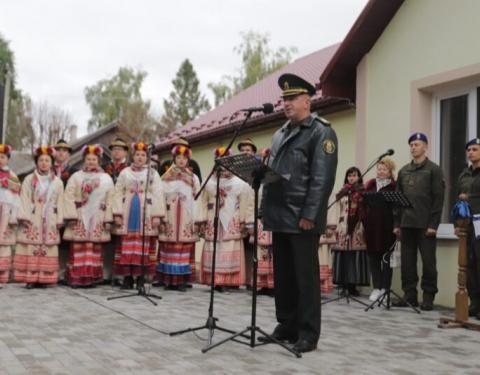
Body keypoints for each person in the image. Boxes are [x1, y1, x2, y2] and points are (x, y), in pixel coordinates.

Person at [261, 73, 337, 353]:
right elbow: (272, 176)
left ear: (308, 101)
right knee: (284, 277)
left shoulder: (321, 131)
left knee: (305, 279)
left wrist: (310, 214)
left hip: (302, 218)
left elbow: (322, 178)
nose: (286, 103)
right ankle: (287, 324)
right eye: (284, 99)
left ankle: (308, 332)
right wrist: (263, 210)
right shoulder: (280, 132)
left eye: (292, 98)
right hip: (279, 215)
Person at [393, 133, 445, 310]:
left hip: (425, 225)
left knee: (429, 263)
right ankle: (409, 295)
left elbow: (438, 199)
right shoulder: (403, 171)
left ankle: (428, 297)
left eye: (417, 144)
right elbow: (397, 200)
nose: (413, 147)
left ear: (425, 147)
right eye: (411, 145)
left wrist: (433, 224)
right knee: (407, 263)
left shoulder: (433, 170)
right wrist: (396, 224)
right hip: (406, 224)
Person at [113, 142, 165, 289]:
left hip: (146, 212)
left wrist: (156, 215)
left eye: (143, 155)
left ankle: (141, 278)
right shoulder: (125, 172)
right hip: (128, 212)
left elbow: (158, 194)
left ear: (147, 157)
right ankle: (128, 278)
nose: (140, 157)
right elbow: (117, 192)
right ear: (133, 156)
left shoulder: (153, 173)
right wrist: (117, 213)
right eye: (137, 154)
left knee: (143, 246)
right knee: (127, 245)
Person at [198, 147, 249, 292]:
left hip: (232, 220)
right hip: (213, 220)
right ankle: (215, 280)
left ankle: (230, 281)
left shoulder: (240, 182)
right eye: (220, 163)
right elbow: (201, 202)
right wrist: (201, 220)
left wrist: (244, 220)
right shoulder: (208, 182)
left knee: (229, 247)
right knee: (214, 248)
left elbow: (245, 202)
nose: (224, 167)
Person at [63, 145, 114, 287]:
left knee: (94, 248)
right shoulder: (76, 177)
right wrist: (71, 216)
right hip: (80, 216)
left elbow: (110, 199)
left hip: (98, 216)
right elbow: (68, 196)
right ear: (84, 160)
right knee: (79, 247)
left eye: (94, 159)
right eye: (88, 159)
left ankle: (92, 278)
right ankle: (76, 278)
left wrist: (108, 218)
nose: (91, 161)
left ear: (98, 160)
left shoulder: (106, 178)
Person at [14, 146, 64, 288]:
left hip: (50, 218)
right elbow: (24, 197)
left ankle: (44, 278)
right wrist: (25, 216)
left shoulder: (58, 182)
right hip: (33, 215)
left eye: (47, 160)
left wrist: (60, 218)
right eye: (41, 160)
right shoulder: (29, 179)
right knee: (32, 246)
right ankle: (31, 278)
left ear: (51, 163)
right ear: (36, 162)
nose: (44, 163)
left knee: (47, 247)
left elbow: (60, 201)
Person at [157, 145, 200, 291]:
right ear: (174, 159)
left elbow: (197, 198)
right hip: (170, 216)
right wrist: (162, 217)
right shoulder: (165, 177)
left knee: (183, 247)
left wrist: (196, 219)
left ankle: (181, 281)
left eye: (184, 158)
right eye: (178, 158)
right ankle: (169, 280)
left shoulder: (193, 178)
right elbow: (160, 198)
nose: (181, 161)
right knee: (169, 247)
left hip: (186, 218)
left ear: (188, 160)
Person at [330, 167, 369, 296]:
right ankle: (343, 283)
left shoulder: (362, 191)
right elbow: (337, 208)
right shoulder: (343, 191)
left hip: (357, 227)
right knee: (343, 256)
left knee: (354, 256)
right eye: (349, 176)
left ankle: (353, 286)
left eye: (354, 175)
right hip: (342, 226)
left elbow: (365, 210)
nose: (351, 178)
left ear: (359, 177)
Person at [363, 158, 397, 302]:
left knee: (386, 259)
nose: (381, 172)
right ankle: (376, 287)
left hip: (387, 228)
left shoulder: (394, 187)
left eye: (384, 169)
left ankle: (385, 288)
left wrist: (397, 226)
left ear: (390, 172)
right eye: (379, 169)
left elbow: (397, 208)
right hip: (371, 228)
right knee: (373, 259)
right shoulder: (370, 186)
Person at [455, 138, 480, 320]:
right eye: (469, 149)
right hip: (467, 225)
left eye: (475, 149)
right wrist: (457, 224)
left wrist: (468, 196)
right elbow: (458, 201)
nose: (471, 152)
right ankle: (475, 303)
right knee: (469, 264)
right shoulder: (464, 175)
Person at [102, 137, 130, 285]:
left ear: (125, 152)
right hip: (107, 208)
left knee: (121, 241)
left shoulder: (130, 168)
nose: (116, 152)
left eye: (120, 149)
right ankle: (106, 274)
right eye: (114, 149)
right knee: (108, 241)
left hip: (124, 209)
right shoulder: (104, 167)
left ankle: (120, 275)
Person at [238, 138, 258, 291]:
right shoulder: (234, 170)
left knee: (253, 248)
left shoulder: (258, 170)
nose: (245, 153)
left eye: (248, 150)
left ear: (253, 153)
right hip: (237, 215)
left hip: (253, 215)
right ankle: (242, 278)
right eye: (243, 150)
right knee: (241, 248)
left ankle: (253, 280)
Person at [0, 144, 21, 287]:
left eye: (2, 157)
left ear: (8, 159)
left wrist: (14, 215)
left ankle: (2, 276)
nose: (0, 160)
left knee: (4, 245)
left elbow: (16, 197)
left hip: (6, 212)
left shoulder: (13, 176)